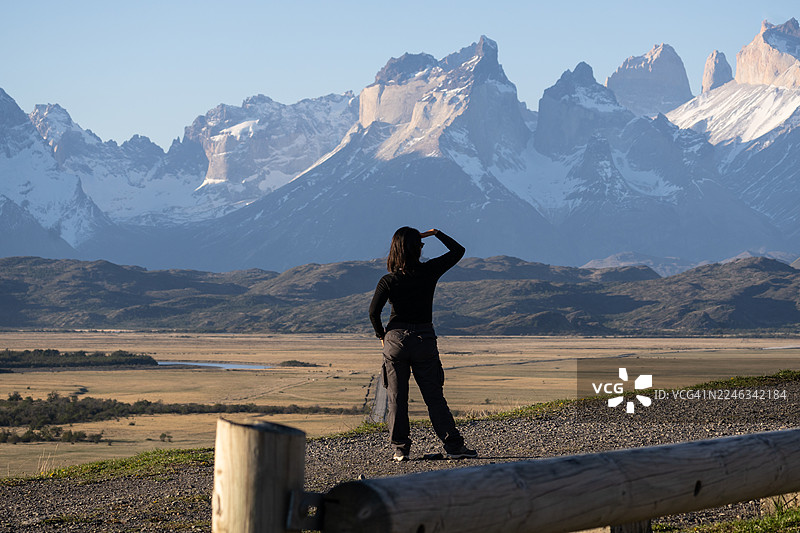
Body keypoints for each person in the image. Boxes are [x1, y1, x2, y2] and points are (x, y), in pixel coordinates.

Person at [369, 226, 478, 462]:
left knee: (396, 398)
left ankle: (401, 449)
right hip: (424, 339)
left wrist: (382, 337)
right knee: (434, 396)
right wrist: (436, 233)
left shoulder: (388, 280)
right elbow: (458, 251)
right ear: (417, 248)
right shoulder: (429, 271)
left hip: (395, 340)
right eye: (420, 244)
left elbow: (373, 313)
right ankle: (454, 446)